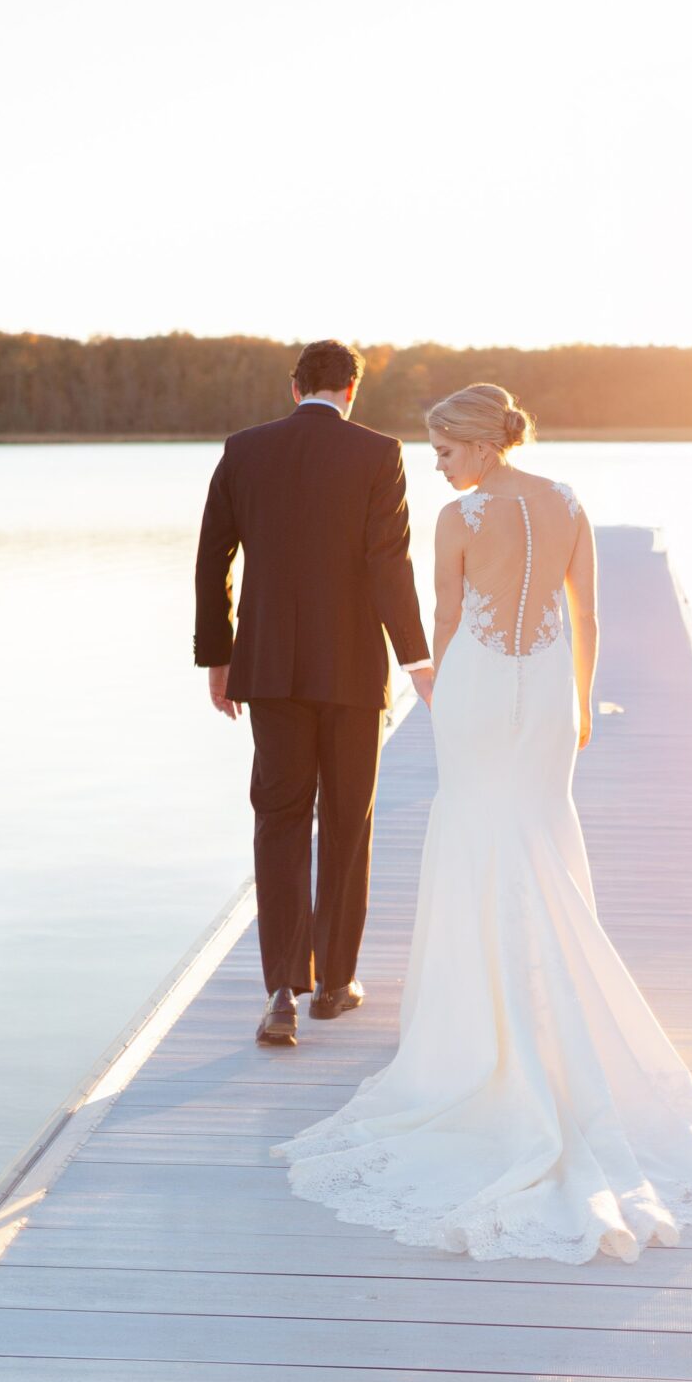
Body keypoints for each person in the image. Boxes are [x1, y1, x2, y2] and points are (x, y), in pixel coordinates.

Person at [273, 380, 692, 1261]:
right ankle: (549, 1011)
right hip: (547, 697)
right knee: (538, 840)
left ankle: (479, 1033)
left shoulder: (462, 521)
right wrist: (581, 699)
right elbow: (587, 614)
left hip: (479, 692)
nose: (439, 467)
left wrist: (432, 690)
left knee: (475, 841)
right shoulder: (568, 503)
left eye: (446, 452)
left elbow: (449, 619)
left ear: (482, 444)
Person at [194, 338, 433, 1047]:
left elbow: (213, 561)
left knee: (279, 817)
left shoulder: (243, 449)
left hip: (267, 670)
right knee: (346, 820)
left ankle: (278, 993)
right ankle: (333, 983)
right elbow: (388, 565)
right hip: (354, 670)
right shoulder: (378, 453)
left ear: (294, 387)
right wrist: (416, 658)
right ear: (350, 389)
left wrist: (219, 658)